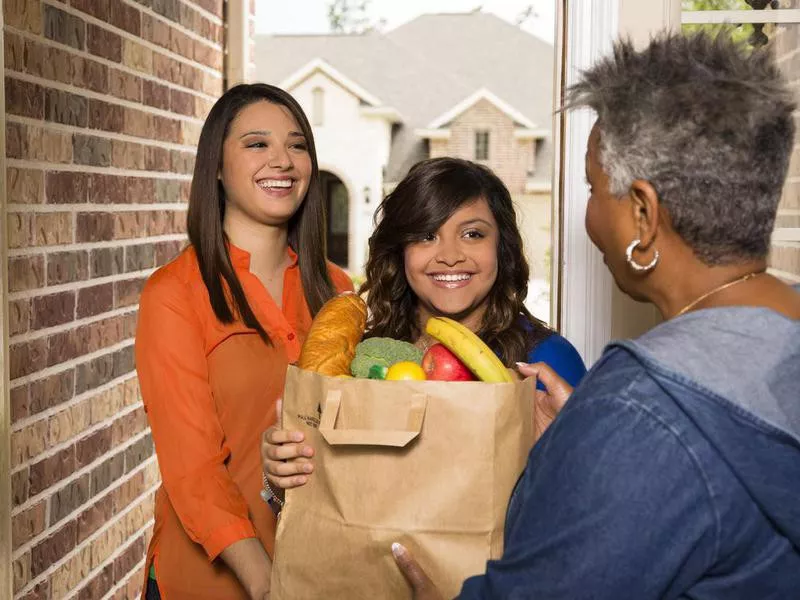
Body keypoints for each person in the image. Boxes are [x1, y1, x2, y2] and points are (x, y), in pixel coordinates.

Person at [391, 31, 800, 599]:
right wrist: (574, 449)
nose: (588, 211)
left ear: (642, 213)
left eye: (592, 186)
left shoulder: (635, 412)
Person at [135, 83, 353, 600]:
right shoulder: (174, 295)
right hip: (211, 581)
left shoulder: (339, 292)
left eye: (297, 145)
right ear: (215, 165)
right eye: (257, 144)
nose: (282, 159)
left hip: (324, 572)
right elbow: (193, 471)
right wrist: (263, 580)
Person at [262, 157, 586, 494]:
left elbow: (584, 512)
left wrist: (561, 456)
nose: (449, 255)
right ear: (400, 250)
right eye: (426, 235)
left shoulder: (548, 364)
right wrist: (280, 476)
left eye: (472, 234)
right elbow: (333, 503)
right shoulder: (365, 360)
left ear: (501, 249)